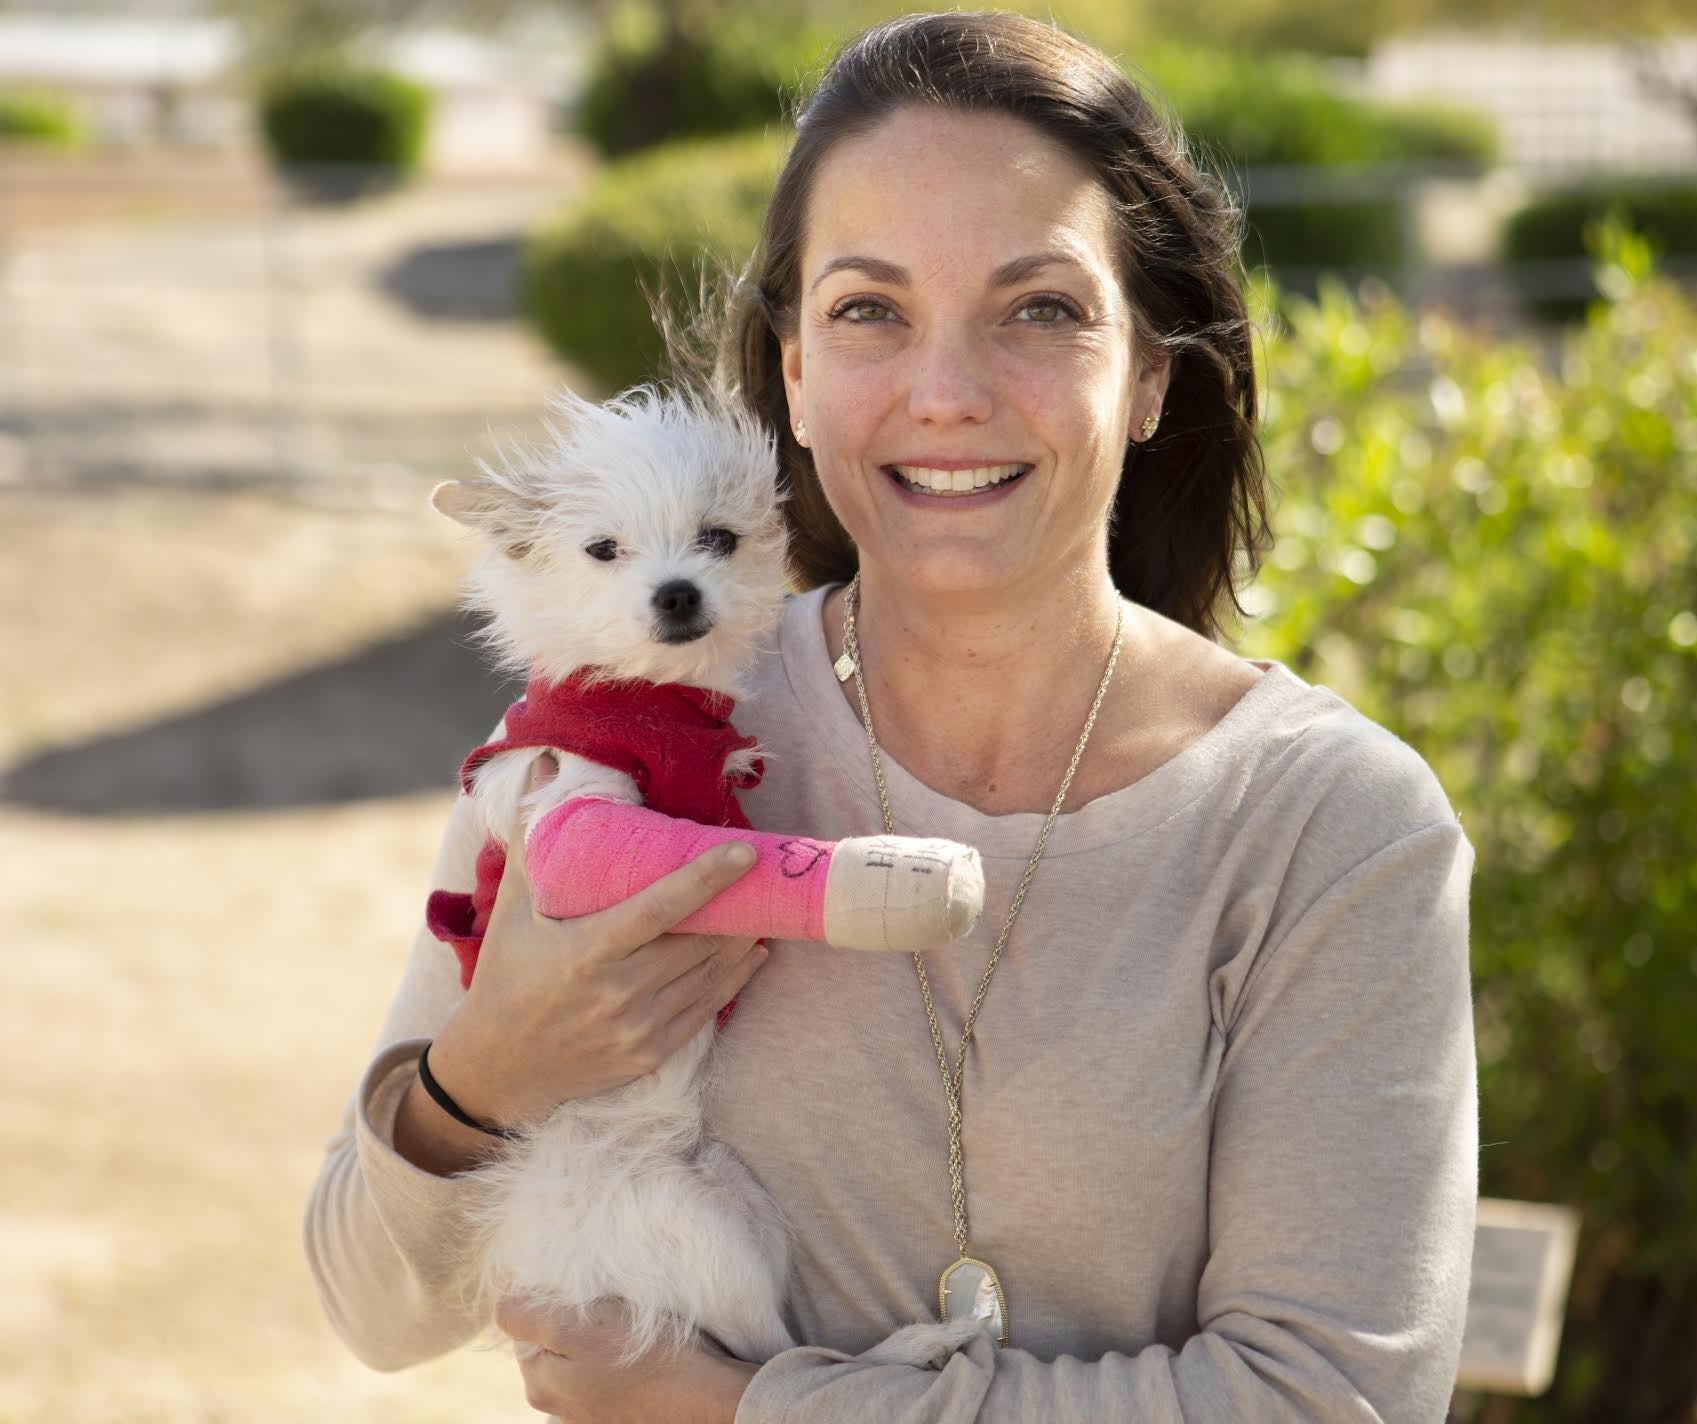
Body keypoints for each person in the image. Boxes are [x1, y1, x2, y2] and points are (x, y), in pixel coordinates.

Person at [304, 12, 1479, 1422]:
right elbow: (373, 1310)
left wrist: (738, 1407)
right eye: (869, 310)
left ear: (1152, 375)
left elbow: (1328, 1399)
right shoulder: (624, 741)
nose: (947, 392)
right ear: (793, 374)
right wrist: (484, 1075)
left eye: (1039, 308)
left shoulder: (1331, 828)